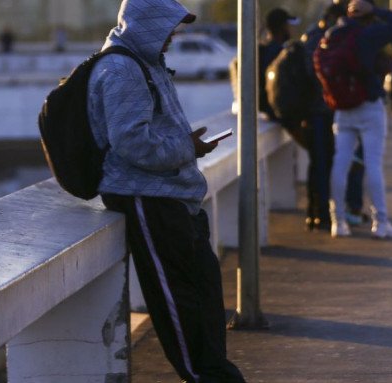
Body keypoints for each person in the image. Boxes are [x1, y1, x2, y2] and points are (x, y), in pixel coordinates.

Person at [87, 0, 246, 381]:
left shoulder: (144, 63)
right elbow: (132, 143)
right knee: (179, 300)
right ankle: (206, 375)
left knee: (202, 289)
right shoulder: (122, 69)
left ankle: (214, 371)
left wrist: (187, 147)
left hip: (170, 194)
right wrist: (188, 148)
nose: (173, 36)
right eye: (167, 28)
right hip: (147, 197)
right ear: (146, 26)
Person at [327, 0, 392, 239]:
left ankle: (338, 222)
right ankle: (381, 223)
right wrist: (375, 11)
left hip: (342, 107)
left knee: (340, 162)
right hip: (368, 105)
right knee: (373, 164)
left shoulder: (334, 34)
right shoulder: (368, 34)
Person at [301, 2, 367, 231]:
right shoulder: (348, 39)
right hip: (341, 109)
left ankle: (321, 213)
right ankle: (348, 209)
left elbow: (309, 73)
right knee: (350, 161)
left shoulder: (311, 38)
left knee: (321, 164)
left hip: (318, 111)